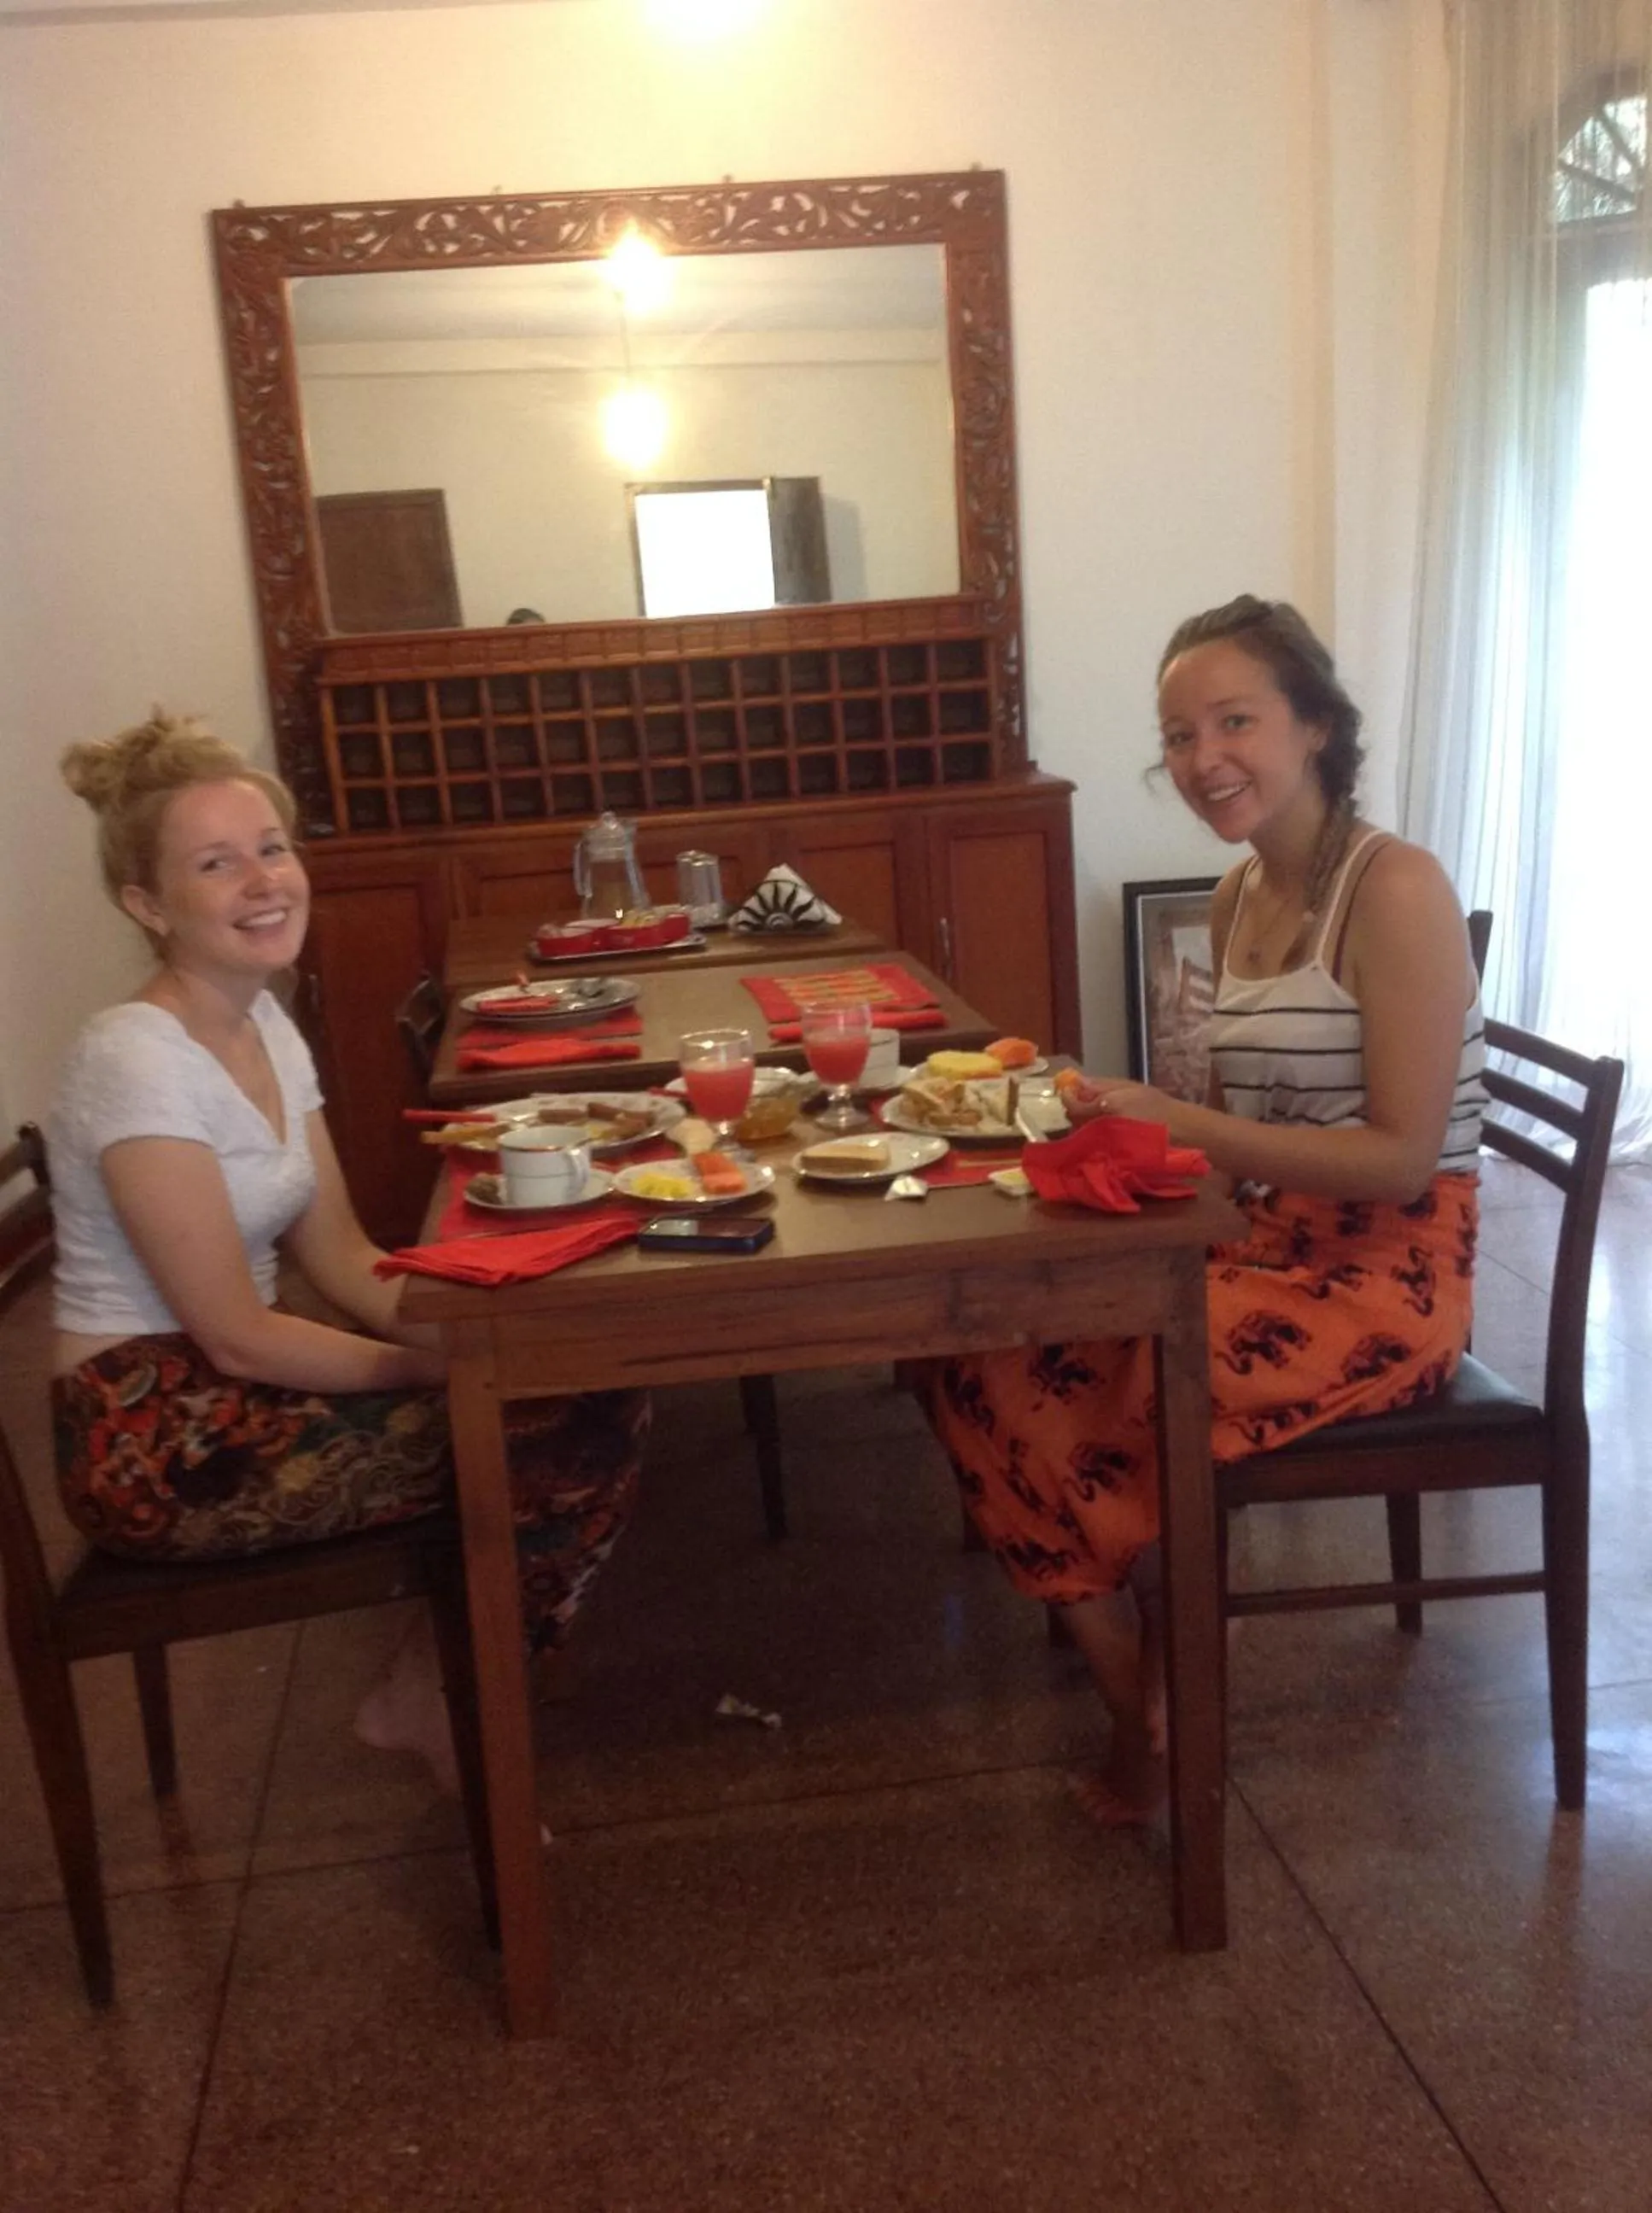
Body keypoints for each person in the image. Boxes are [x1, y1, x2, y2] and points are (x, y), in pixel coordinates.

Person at [927, 597, 1486, 1825]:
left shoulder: (1396, 889)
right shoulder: (1237, 895)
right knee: (977, 1358)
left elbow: (1400, 1161)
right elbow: (1232, 1153)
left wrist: (1178, 1124)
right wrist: (1102, 1162)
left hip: (1385, 1282)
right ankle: (1145, 1692)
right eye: (1179, 736)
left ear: (1316, 727)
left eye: (1234, 722)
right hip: (1267, 1244)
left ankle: (1160, 1721)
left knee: (1112, 1384)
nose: (1202, 759)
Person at [48, 712, 648, 1785]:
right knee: (567, 1431)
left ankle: (440, 1683)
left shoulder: (262, 1022)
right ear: (148, 905)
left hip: (235, 1383)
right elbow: (236, 1336)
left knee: (582, 1389)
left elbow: (339, 1251)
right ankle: (444, 1697)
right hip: (152, 1437)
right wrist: (446, 1372)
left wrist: (480, 1336)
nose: (263, 881)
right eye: (216, 864)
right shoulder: (134, 1058)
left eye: (271, 848)